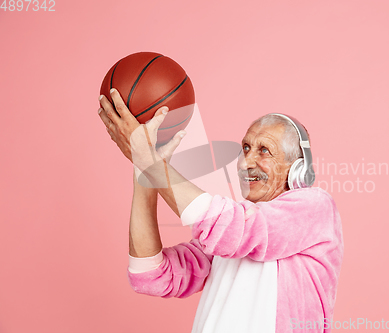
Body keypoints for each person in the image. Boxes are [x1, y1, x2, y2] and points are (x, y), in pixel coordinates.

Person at [98, 88, 344, 333]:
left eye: (264, 150)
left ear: (298, 168)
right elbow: (152, 275)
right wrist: (144, 173)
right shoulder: (228, 235)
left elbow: (234, 230)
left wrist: (150, 161)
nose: (246, 162)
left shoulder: (315, 207)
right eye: (245, 148)